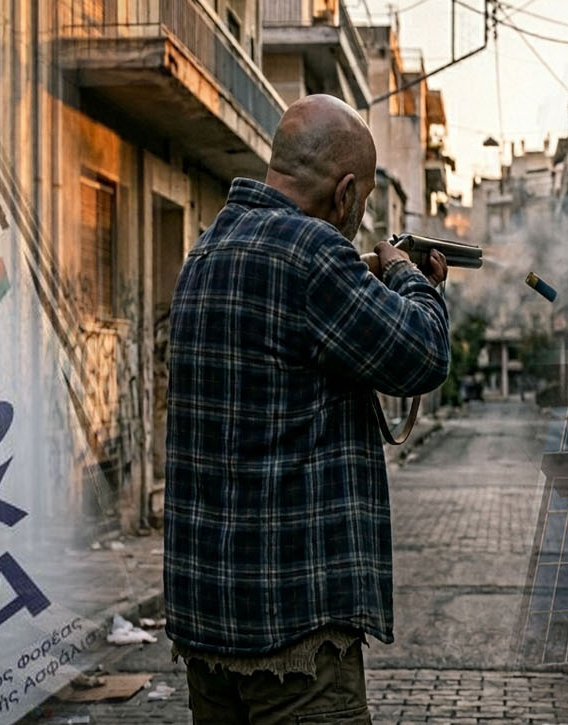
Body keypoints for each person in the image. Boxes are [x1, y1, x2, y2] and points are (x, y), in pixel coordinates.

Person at [163, 94, 451, 724]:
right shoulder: (312, 254)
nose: (362, 212)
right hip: (294, 629)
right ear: (345, 193)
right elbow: (423, 354)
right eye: (367, 197)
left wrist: (366, 280)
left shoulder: (207, 252)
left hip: (209, 626)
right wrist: (406, 276)